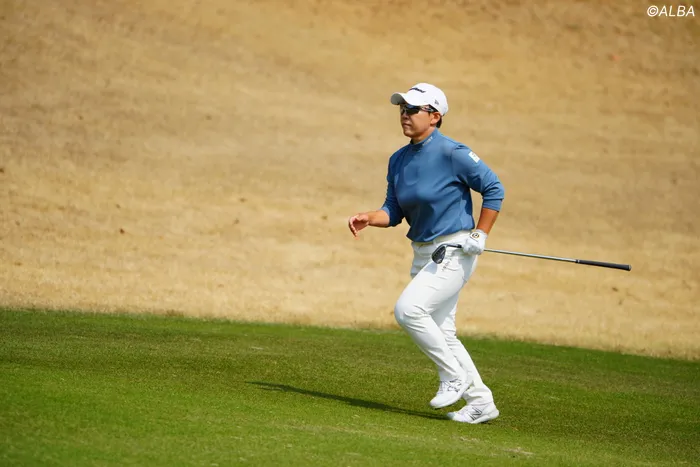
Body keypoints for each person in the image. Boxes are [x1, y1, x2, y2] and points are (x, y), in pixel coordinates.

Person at [347, 83, 504, 424]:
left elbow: (494, 189)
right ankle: (481, 402)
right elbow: (393, 210)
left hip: (455, 250)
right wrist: (370, 217)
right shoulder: (398, 159)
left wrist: (480, 233)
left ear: (435, 116)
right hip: (423, 253)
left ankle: (452, 376)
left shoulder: (453, 153)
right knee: (443, 332)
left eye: (412, 109)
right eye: (402, 108)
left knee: (408, 310)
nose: (405, 114)